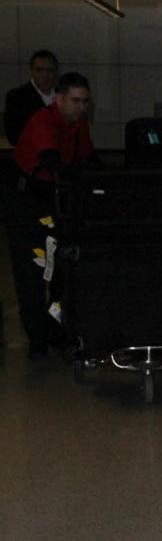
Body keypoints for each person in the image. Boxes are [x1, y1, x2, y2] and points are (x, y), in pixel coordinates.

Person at [8, 72, 95, 357]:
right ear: (59, 98)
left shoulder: (78, 124)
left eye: (85, 102)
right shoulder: (44, 120)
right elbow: (50, 160)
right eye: (76, 101)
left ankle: (56, 330)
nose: (82, 107)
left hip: (53, 202)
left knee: (61, 271)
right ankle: (37, 338)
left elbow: (87, 158)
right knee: (32, 272)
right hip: (29, 203)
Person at [3, 49, 59, 146]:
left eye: (50, 70)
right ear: (32, 71)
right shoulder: (16, 97)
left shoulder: (63, 95)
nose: (45, 75)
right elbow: (14, 137)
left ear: (56, 72)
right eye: (39, 70)